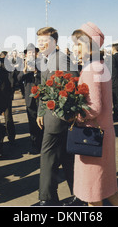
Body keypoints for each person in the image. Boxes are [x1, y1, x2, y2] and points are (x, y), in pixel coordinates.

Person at [71, 22, 118, 206]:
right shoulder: (102, 65)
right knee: (109, 189)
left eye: (79, 44)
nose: (75, 48)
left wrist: (74, 116)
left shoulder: (91, 68)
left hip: (92, 138)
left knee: (93, 195)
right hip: (104, 134)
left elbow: (93, 108)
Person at [36, 26, 79, 206]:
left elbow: (74, 86)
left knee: (48, 158)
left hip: (59, 120)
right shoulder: (46, 59)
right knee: (67, 159)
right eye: (39, 41)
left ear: (54, 42)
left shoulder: (62, 59)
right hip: (51, 117)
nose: (40, 44)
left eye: (44, 41)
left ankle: (47, 199)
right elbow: (42, 89)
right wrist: (41, 112)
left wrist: (67, 115)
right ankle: (80, 195)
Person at [17, 43, 43, 153]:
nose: (31, 54)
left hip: (40, 98)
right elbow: (17, 79)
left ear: (37, 53)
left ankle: (43, 144)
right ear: (26, 55)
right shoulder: (23, 66)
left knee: (42, 122)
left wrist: (37, 72)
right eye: (29, 53)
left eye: (33, 52)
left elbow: (44, 79)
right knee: (32, 123)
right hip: (30, 98)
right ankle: (35, 145)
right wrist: (25, 70)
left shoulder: (42, 64)